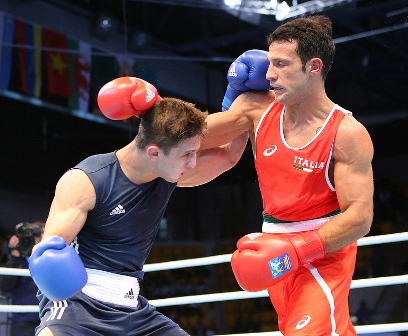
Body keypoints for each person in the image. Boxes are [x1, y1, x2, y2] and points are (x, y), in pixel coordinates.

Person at [29, 77, 247, 336]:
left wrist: (240, 94)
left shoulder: (167, 173)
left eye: (195, 153)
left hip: (133, 310)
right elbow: (50, 250)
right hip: (80, 303)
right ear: (154, 153)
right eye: (186, 154)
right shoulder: (88, 180)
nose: (192, 162)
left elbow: (230, 155)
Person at [201, 15, 374, 335]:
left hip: (324, 253)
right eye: (269, 63)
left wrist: (299, 250)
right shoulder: (255, 107)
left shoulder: (346, 132)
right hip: (275, 248)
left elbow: (360, 217)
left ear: (313, 66)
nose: (269, 74)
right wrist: (155, 115)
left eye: (281, 64)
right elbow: (188, 147)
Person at [0, 221, 44, 336]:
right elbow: (5, 288)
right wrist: (14, 256)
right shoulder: (18, 259)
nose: (38, 240)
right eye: (36, 236)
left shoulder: (51, 257)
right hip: (23, 321)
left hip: (49, 318)